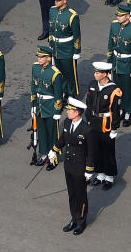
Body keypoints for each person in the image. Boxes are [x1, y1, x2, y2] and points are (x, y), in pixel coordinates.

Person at [46, 98, 93, 235]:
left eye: (70, 110)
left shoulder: (87, 130)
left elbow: (91, 152)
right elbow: (63, 139)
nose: (68, 112)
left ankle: (81, 221)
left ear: (78, 112)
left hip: (80, 167)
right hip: (69, 165)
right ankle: (74, 218)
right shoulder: (67, 123)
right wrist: (54, 149)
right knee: (72, 194)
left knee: (81, 195)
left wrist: (89, 170)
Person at [84, 61, 122, 188]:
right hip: (94, 121)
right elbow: (88, 103)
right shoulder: (92, 84)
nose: (95, 75)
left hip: (106, 123)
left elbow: (116, 111)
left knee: (108, 150)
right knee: (96, 149)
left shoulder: (114, 90)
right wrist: (88, 118)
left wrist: (114, 129)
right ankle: (100, 173)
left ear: (105, 74)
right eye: (95, 72)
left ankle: (109, 177)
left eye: (98, 73)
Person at [107, 4, 131, 127]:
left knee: (127, 90)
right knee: (117, 89)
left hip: (127, 64)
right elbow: (110, 44)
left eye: (121, 15)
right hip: (116, 62)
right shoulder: (114, 25)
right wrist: (109, 62)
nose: (118, 17)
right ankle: (120, 109)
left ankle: (128, 112)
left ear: (127, 16)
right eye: (117, 15)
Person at [30, 45, 64, 161]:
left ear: (49, 59)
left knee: (52, 132)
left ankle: (53, 156)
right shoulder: (35, 68)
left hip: (50, 106)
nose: (39, 59)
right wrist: (33, 105)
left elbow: (58, 94)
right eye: (38, 57)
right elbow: (33, 87)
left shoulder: (55, 73)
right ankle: (44, 153)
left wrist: (57, 110)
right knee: (42, 132)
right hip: (39, 104)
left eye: (42, 57)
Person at [48, 0, 81, 97]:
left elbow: (77, 35)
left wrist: (76, 51)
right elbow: (51, 28)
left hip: (67, 49)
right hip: (56, 47)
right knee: (59, 72)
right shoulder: (52, 11)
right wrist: (51, 42)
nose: (56, 2)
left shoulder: (72, 15)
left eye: (58, 0)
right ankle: (63, 92)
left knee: (70, 74)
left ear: (65, 1)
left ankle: (72, 94)